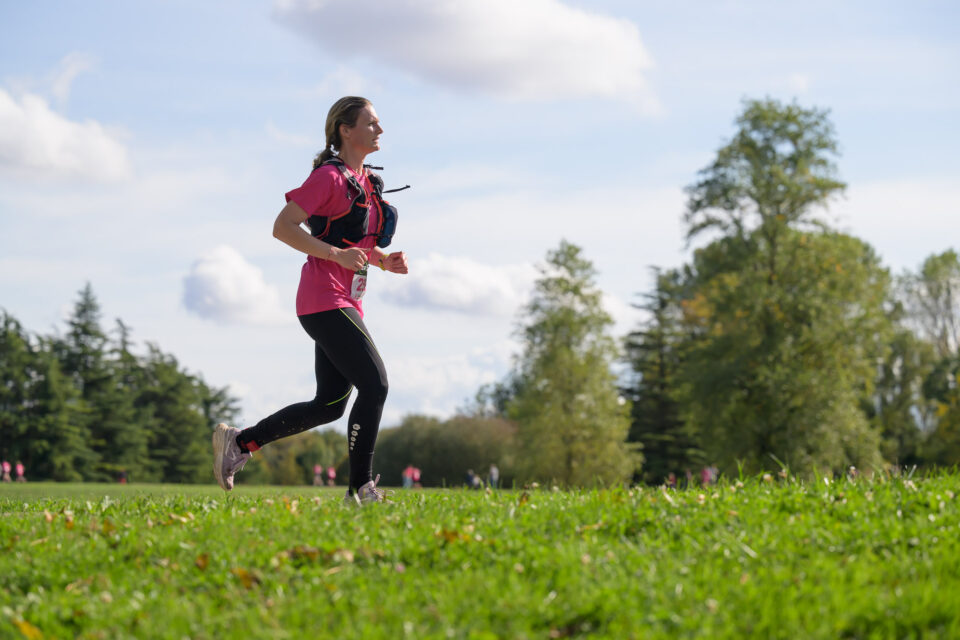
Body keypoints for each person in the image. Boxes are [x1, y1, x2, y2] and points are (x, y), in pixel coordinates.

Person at [212, 96, 409, 505]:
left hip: (345, 302)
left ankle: (240, 442)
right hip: (324, 300)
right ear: (345, 130)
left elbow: (352, 243)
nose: (380, 130)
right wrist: (335, 256)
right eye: (370, 123)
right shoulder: (330, 178)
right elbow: (283, 226)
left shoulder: (367, 182)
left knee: (330, 404)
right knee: (375, 385)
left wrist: (383, 260)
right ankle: (361, 489)